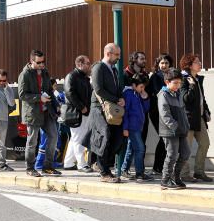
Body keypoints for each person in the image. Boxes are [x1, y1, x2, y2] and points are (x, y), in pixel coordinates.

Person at [19, 50, 59, 177]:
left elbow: (49, 90)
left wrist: (56, 104)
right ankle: (30, 168)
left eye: (43, 61)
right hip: (33, 112)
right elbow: (22, 95)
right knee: (32, 141)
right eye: (39, 62)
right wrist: (39, 98)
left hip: (47, 111)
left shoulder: (45, 72)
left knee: (53, 136)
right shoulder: (25, 74)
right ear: (32, 61)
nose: (42, 64)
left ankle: (48, 166)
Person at [90, 44, 125, 182]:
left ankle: (102, 165)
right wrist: (116, 99)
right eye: (117, 54)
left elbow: (117, 88)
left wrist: (120, 98)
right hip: (100, 108)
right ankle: (104, 172)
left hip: (112, 108)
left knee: (117, 138)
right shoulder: (99, 67)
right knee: (105, 136)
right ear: (108, 54)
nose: (119, 57)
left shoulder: (114, 69)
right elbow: (98, 89)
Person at [179, 54, 212, 183]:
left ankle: (199, 172)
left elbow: (202, 98)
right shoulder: (183, 79)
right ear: (189, 65)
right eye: (197, 62)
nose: (200, 63)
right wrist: (191, 86)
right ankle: (184, 174)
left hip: (199, 118)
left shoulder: (197, 79)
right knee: (186, 147)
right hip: (188, 119)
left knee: (205, 143)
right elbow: (185, 99)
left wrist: (206, 111)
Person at [158, 68, 190, 190]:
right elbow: (165, 115)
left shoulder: (178, 94)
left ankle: (176, 176)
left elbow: (183, 112)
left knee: (185, 153)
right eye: (175, 83)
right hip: (170, 131)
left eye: (179, 83)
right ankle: (165, 179)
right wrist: (175, 127)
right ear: (167, 82)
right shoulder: (163, 95)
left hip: (181, 130)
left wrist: (185, 126)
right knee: (171, 154)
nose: (178, 85)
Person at [62, 56, 93, 173]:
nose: (89, 65)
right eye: (88, 63)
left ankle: (69, 163)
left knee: (75, 138)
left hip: (82, 112)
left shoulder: (83, 78)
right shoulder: (72, 76)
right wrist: (82, 107)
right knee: (78, 139)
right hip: (76, 113)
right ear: (80, 64)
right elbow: (69, 93)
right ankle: (81, 164)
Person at [121, 73, 152, 181]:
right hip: (132, 126)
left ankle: (124, 169)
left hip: (138, 126)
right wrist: (125, 128)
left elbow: (145, 109)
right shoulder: (129, 94)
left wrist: (145, 97)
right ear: (134, 85)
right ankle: (139, 172)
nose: (142, 89)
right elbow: (125, 112)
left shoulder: (137, 93)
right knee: (140, 148)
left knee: (131, 149)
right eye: (141, 87)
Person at [148, 54, 173, 176]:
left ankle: (161, 166)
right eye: (162, 63)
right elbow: (160, 92)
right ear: (158, 64)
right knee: (164, 137)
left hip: (167, 112)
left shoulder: (172, 76)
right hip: (156, 111)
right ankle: (157, 167)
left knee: (166, 138)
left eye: (166, 63)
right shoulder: (155, 77)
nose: (164, 65)